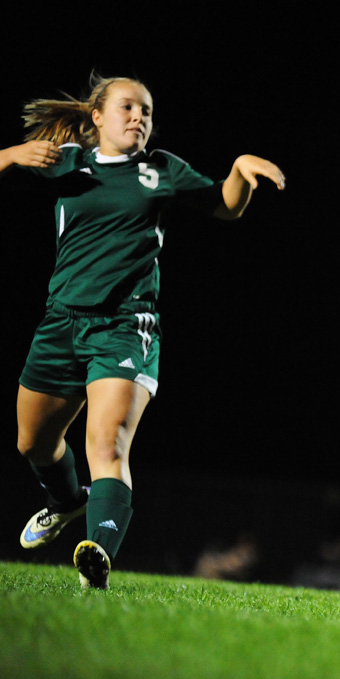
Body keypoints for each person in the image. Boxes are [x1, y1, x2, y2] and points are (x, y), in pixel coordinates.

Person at [1, 73, 285, 589]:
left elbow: (225, 205)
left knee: (106, 444)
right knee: (32, 444)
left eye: (147, 112)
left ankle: (98, 558)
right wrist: (9, 156)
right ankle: (66, 501)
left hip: (126, 327)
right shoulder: (67, 163)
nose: (139, 118)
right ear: (97, 117)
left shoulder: (161, 170)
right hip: (60, 322)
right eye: (128, 108)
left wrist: (240, 172)